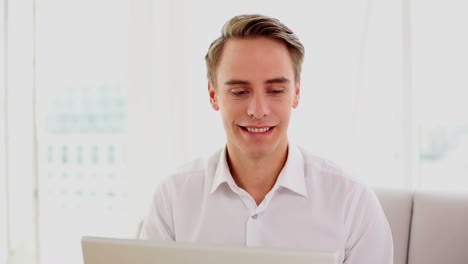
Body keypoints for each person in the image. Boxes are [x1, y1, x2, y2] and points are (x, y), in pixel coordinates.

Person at [140, 14, 393, 264]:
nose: (258, 110)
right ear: (213, 95)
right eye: (239, 92)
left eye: (275, 91)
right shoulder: (173, 198)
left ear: (296, 93)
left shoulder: (351, 201)